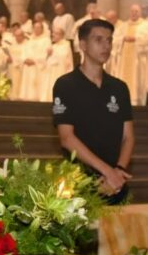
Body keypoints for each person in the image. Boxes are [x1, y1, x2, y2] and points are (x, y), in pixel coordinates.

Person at [53, 18, 135, 205]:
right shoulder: (66, 85)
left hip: (115, 183)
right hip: (78, 182)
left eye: (109, 40)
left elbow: (128, 137)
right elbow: (66, 138)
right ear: (82, 44)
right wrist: (108, 172)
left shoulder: (119, 88)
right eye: (98, 40)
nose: (106, 45)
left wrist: (119, 170)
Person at [113, 4, 148, 105]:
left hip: (137, 60)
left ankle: (136, 102)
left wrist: (135, 39)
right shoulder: (123, 25)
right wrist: (123, 39)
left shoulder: (145, 25)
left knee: (137, 80)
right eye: (132, 11)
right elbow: (115, 39)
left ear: (140, 13)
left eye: (136, 11)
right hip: (124, 60)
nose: (134, 13)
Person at [43, 26, 75, 101]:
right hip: (51, 71)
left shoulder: (66, 44)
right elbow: (46, 60)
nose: (53, 35)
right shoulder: (52, 46)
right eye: (53, 33)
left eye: (56, 33)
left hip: (60, 70)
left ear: (61, 35)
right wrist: (48, 55)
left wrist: (54, 54)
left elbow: (65, 57)